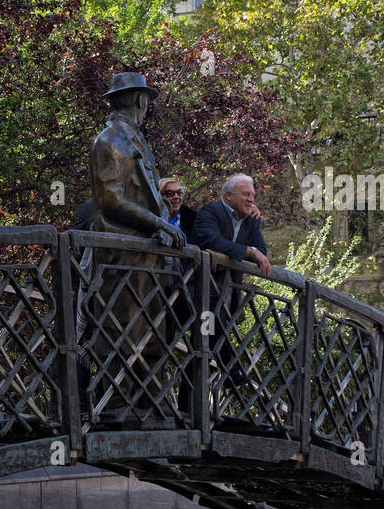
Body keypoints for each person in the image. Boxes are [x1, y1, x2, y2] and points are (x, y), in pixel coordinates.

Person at [79, 72, 186, 417]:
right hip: (121, 254)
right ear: (140, 101)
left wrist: (161, 220)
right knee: (121, 332)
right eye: (147, 102)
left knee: (152, 333)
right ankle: (116, 408)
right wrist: (159, 222)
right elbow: (110, 199)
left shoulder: (135, 140)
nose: (148, 109)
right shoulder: (109, 141)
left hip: (146, 254)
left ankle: (151, 405)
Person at [190, 173, 271, 390]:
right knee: (206, 338)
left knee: (207, 344)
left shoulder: (251, 220)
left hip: (226, 293)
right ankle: (232, 370)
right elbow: (212, 241)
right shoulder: (211, 212)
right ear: (228, 196)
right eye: (245, 194)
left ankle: (195, 408)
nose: (251, 199)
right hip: (200, 292)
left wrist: (252, 252)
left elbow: (262, 251)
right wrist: (248, 251)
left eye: (252, 195)